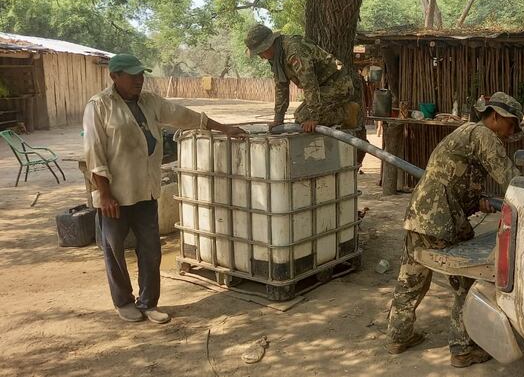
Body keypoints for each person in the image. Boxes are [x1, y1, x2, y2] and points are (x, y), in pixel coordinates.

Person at [83, 53, 246, 324]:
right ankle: (123, 302)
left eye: (141, 74)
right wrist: (105, 193)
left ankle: (148, 303)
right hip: (116, 195)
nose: (139, 80)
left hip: (146, 191)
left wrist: (222, 128)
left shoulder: (150, 102)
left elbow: (184, 116)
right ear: (114, 76)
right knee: (115, 251)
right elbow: (94, 153)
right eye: (132, 75)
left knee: (151, 250)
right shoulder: (99, 106)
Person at [385, 91, 522, 368]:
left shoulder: (466, 133)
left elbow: (454, 178)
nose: (513, 132)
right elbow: (510, 180)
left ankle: (398, 336)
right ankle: (462, 348)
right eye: (512, 125)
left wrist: (477, 199)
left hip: (420, 214)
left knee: (411, 278)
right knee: (468, 281)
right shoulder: (484, 135)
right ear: (496, 116)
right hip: (443, 220)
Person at [244, 24, 361, 133]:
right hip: (322, 89)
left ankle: (346, 112)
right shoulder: (276, 58)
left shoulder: (294, 50)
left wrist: (314, 117)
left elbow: (309, 83)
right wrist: (278, 119)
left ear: (269, 45)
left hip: (338, 84)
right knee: (299, 115)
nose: (260, 57)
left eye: (260, 52)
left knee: (303, 117)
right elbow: (281, 87)